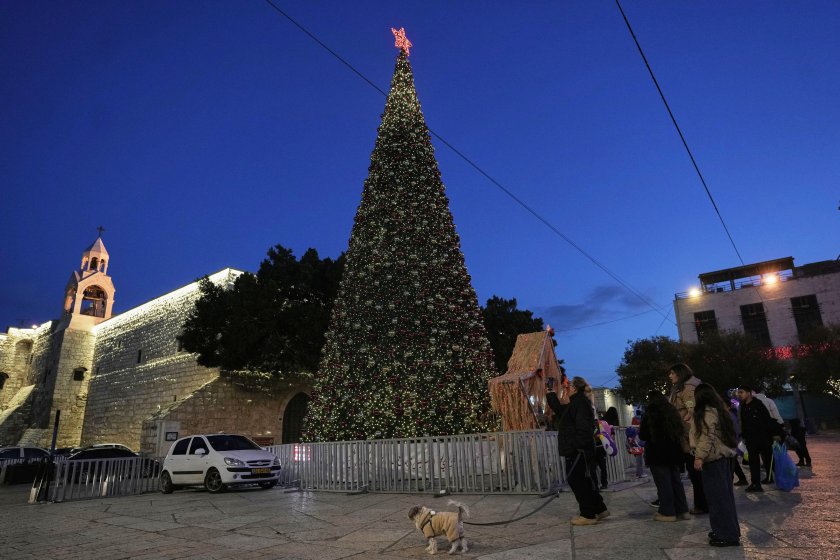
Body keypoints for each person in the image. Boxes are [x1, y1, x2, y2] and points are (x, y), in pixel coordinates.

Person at [547, 375, 609, 525]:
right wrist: (550, 392)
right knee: (585, 480)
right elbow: (559, 409)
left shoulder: (580, 403)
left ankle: (588, 514)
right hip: (579, 449)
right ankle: (599, 508)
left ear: (574, 388)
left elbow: (583, 428)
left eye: (568, 386)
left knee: (578, 481)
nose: (566, 388)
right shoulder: (577, 403)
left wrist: (577, 446)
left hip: (578, 450)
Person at [690, 384, 741, 547]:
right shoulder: (719, 410)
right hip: (724, 457)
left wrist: (699, 457)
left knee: (718, 499)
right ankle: (728, 530)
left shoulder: (707, 412)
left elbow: (706, 436)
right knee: (725, 497)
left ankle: (726, 535)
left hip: (714, 459)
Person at [639, 391, 689, 522]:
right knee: (676, 481)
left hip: (657, 452)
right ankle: (682, 510)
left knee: (663, 482)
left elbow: (643, 434)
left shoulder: (651, 412)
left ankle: (668, 512)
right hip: (674, 451)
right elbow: (680, 430)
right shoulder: (672, 410)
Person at [667, 363, 708, 514]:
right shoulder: (681, 388)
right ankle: (702, 503)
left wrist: (683, 425)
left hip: (690, 437)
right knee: (694, 473)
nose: (670, 376)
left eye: (672, 373)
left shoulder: (688, 388)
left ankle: (702, 505)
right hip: (686, 436)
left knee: (696, 473)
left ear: (680, 373)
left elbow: (692, 412)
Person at [737, 385, 775, 491]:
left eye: (741, 392)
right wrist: (743, 435)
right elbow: (743, 422)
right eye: (739, 393)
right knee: (753, 462)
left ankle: (775, 478)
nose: (739, 395)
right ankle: (755, 484)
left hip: (763, 437)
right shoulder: (743, 406)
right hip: (750, 438)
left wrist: (772, 434)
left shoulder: (758, 404)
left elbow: (767, 419)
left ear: (749, 393)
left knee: (768, 459)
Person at [725, 399, 749, 486]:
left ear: (728, 407)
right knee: (733, 462)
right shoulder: (730, 414)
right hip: (733, 441)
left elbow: (735, 430)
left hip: (732, 442)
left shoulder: (729, 415)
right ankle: (742, 479)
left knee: (732, 462)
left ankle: (731, 481)